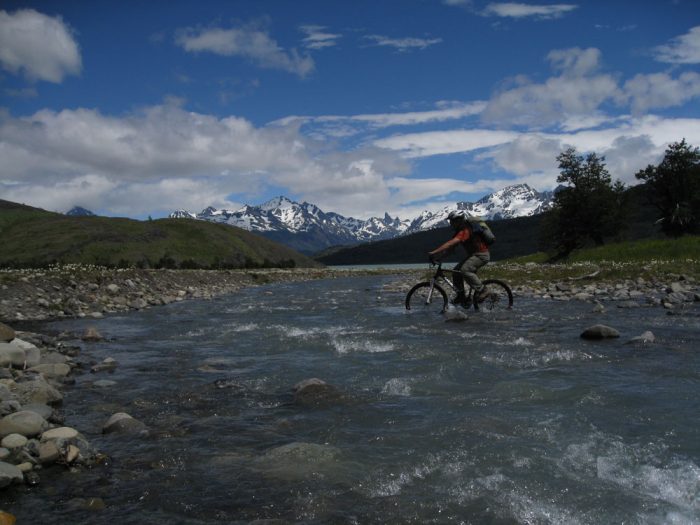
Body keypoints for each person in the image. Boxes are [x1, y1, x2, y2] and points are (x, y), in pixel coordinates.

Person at [428, 210, 490, 306]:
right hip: (474, 255)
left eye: (452, 221)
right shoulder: (459, 232)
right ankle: (461, 296)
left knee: (465, 270)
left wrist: (433, 252)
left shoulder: (465, 230)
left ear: (459, 221)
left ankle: (483, 290)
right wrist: (439, 258)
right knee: (456, 272)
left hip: (481, 255)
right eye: (450, 221)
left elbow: (450, 244)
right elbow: (450, 250)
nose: (451, 223)